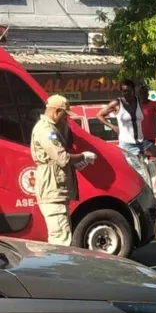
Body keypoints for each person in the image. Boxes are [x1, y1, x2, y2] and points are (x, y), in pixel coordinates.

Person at [31, 95, 96, 247]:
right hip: (52, 188)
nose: (65, 118)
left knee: (61, 233)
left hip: (55, 188)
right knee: (60, 239)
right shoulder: (46, 130)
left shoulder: (50, 128)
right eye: (64, 114)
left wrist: (76, 163)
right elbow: (62, 158)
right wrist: (82, 156)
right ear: (57, 111)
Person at [97, 79, 156, 192]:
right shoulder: (117, 103)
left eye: (128, 91)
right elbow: (99, 115)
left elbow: (152, 101)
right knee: (140, 173)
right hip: (127, 144)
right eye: (124, 91)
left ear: (133, 91)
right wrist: (112, 126)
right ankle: (137, 193)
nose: (126, 93)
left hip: (142, 142)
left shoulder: (139, 101)